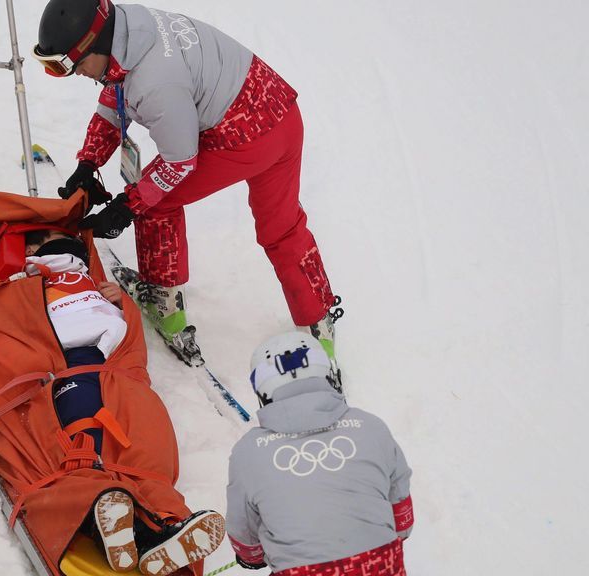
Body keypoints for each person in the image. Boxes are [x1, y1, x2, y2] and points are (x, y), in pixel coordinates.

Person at [33, 0, 341, 365]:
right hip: (282, 115)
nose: (79, 74)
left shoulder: (155, 79)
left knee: (156, 202)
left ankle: (165, 308)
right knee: (282, 227)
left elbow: (179, 163)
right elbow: (116, 91)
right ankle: (319, 325)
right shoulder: (129, 30)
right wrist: (89, 162)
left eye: (77, 65)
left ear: (95, 44)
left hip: (242, 134)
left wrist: (126, 207)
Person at [24, 229, 224, 575]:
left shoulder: (88, 285)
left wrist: (121, 303)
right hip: (83, 370)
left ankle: (151, 529)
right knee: (103, 459)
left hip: (112, 374)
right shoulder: (27, 282)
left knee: (132, 461)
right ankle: (141, 527)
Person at [225, 332, 414, 575]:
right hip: (380, 563)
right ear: (327, 375)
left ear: (263, 394)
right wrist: (395, 532)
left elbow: (244, 529)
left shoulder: (247, 453)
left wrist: (252, 556)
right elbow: (400, 502)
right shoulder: (370, 426)